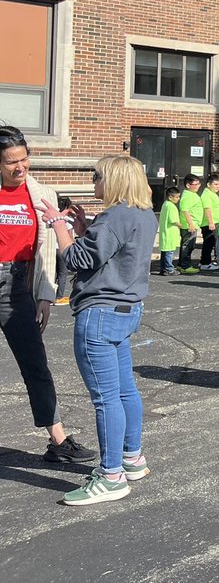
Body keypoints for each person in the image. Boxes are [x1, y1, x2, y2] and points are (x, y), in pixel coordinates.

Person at [39, 154, 156, 505]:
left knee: (106, 399)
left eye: (98, 177)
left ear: (115, 181)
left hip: (101, 314)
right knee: (124, 391)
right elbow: (113, 252)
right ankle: (131, 458)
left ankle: (110, 477)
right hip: (128, 310)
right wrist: (85, 229)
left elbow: (76, 260)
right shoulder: (143, 214)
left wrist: (58, 223)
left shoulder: (115, 216)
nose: (94, 183)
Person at [0, 125, 98, 465]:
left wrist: (45, 294)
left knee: (35, 364)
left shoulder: (41, 192)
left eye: (24, 158)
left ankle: (58, 441)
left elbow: (47, 250)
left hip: (17, 285)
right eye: (11, 162)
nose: (20, 167)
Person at [176, 174, 202, 275]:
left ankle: (181, 264)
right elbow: (185, 210)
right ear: (188, 185)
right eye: (195, 184)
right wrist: (191, 224)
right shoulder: (187, 196)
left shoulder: (192, 194)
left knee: (188, 245)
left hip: (193, 224)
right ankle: (185, 266)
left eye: (199, 183)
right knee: (188, 246)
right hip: (189, 226)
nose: (198, 186)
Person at [198, 173, 219, 270]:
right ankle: (205, 263)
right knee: (208, 243)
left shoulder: (212, 194)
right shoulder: (207, 194)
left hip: (214, 222)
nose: (218, 186)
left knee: (210, 243)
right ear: (209, 184)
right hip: (209, 223)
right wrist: (211, 222)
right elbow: (207, 209)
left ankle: (204, 262)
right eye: (215, 184)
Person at [157, 187, 182, 276]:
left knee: (164, 251)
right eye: (177, 197)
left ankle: (163, 268)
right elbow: (173, 220)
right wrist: (181, 225)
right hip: (170, 233)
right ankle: (169, 268)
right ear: (170, 197)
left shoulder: (165, 204)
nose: (178, 199)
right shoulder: (171, 206)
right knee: (169, 252)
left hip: (165, 232)